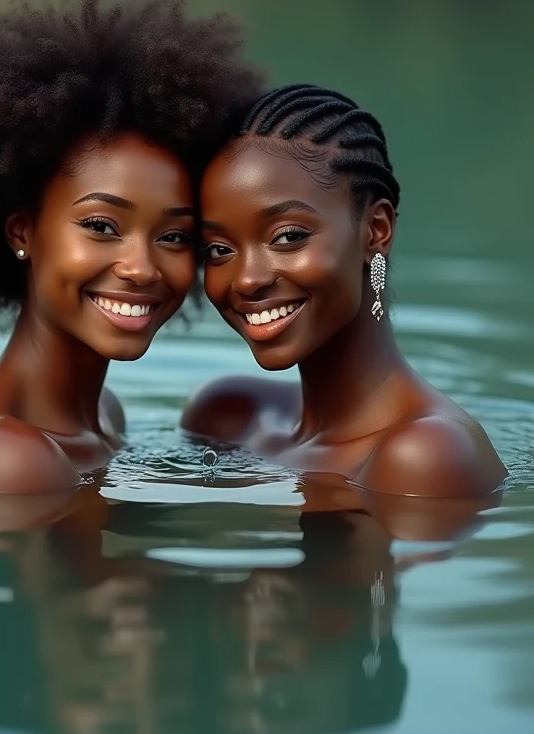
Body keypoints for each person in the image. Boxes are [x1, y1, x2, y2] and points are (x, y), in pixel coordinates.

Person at [0, 0, 262, 493]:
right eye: (101, 226)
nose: (141, 267)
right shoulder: (6, 456)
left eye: (175, 237)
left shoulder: (104, 415)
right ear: (21, 232)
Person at [183, 83, 507, 496]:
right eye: (219, 248)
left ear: (376, 230)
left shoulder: (424, 456)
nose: (248, 278)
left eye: (288, 236)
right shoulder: (226, 418)